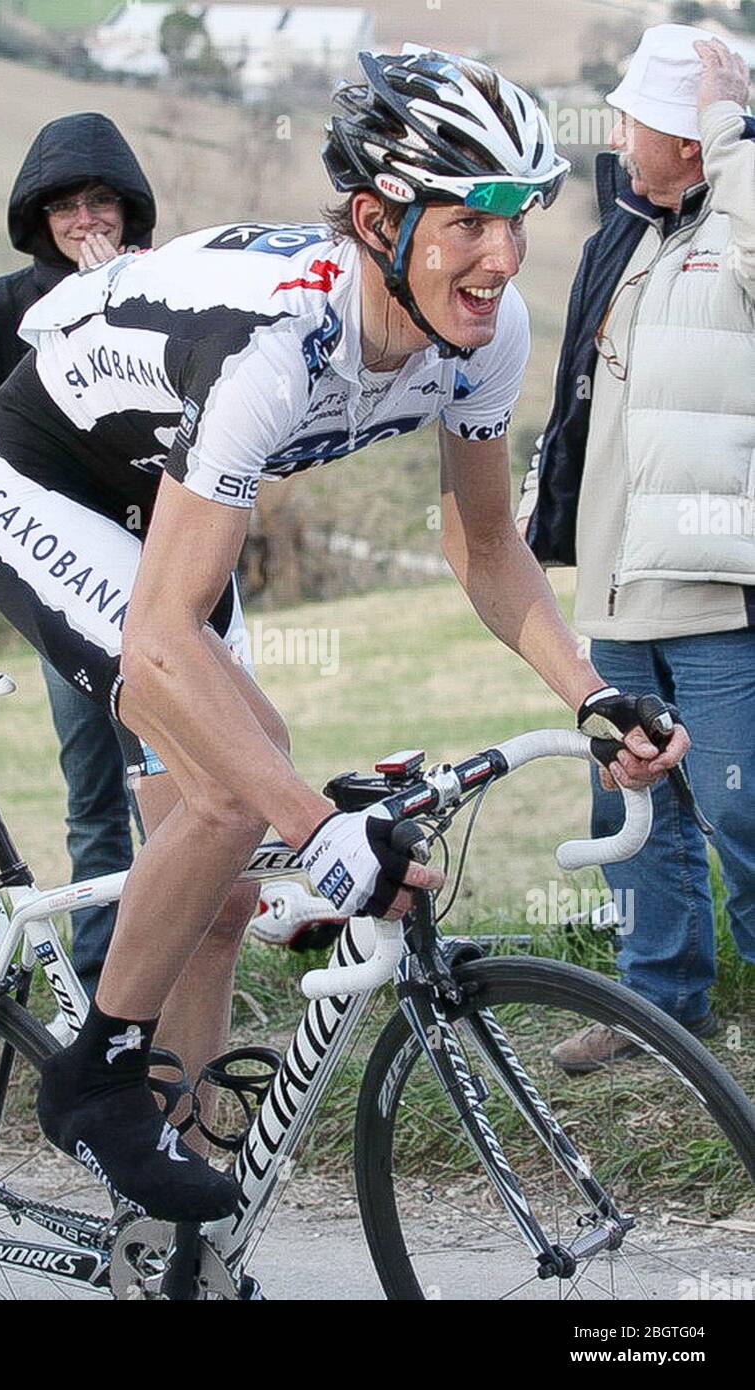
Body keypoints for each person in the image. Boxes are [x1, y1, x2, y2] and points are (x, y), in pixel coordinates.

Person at [0, 46, 687, 1223]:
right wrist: (322, 832)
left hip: (170, 491)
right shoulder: (276, 344)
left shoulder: (481, 331)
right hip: (46, 483)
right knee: (241, 788)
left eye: (518, 217)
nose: (501, 257)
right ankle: (96, 1077)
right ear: (373, 216)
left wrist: (589, 696)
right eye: (468, 220)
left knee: (230, 868)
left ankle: (176, 1168)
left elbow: (486, 549)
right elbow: (155, 643)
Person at [517, 26, 755, 1072]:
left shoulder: (736, 224)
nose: (613, 139)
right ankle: (656, 1008)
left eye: (634, 122)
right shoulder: (621, 238)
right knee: (629, 803)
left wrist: (728, 125)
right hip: (618, 585)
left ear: (694, 143)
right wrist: (542, 495)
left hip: (712, 584)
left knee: (742, 811)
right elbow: (582, 397)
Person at [0, 113, 157, 1001]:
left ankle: (172, 974)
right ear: (41, 216)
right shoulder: (3, 311)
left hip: (166, 578)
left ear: (127, 207)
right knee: (94, 797)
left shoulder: (165, 290)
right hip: (67, 583)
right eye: (68, 206)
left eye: (101, 201)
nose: (87, 220)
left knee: (177, 788)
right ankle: (98, 985)